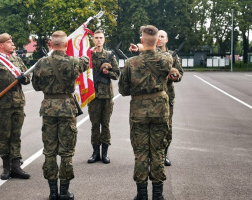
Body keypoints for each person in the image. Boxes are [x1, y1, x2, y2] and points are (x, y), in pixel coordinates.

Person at [32, 30, 90, 200]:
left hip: (49, 108)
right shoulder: (73, 62)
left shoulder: (41, 63)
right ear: (66, 45)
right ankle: (64, 192)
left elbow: (36, 86)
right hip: (66, 108)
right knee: (66, 152)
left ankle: (52, 192)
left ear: (51, 44)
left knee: (50, 151)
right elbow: (85, 62)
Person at [118, 25, 173, 200]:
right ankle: (158, 194)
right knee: (158, 152)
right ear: (158, 41)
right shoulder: (166, 60)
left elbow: (123, 90)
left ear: (141, 41)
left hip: (138, 112)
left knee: (141, 153)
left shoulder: (130, 63)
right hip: (160, 111)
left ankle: (142, 194)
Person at [0, 33, 30, 180]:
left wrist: (24, 78)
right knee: (4, 136)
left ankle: (16, 166)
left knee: (16, 136)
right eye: (10, 42)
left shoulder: (17, 59)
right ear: (1, 45)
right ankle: (6, 167)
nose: (13, 44)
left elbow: (28, 78)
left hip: (17, 103)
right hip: (2, 105)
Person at [87, 30, 120, 164]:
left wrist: (108, 73)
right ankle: (95, 153)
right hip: (93, 95)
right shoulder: (89, 55)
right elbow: (82, 70)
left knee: (105, 124)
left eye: (101, 38)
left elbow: (117, 74)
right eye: (96, 38)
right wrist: (88, 55)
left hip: (106, 95)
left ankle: (105, 153)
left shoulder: (109, 56)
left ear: (104, 40)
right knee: (95, 125)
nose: (99, 40)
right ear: (93, 40)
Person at [157, 30, 183, 166]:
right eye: (158, 36)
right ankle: (153, 155)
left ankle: (164, 154)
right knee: (154, 127)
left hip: (168, 97)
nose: (160, 39)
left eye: (162, 36)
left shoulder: (173, 55)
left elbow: (180, 74)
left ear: (166, 39)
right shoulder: (151, 55)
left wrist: (175, 76)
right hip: (153, 97)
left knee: (167, 127)